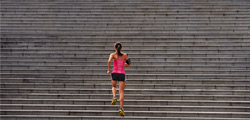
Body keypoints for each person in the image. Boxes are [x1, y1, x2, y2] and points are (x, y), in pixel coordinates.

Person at [107, 42, 130, 116]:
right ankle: (121, 108)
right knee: (121, 92)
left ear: (115, 48)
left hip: (114, 73)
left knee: (114, 86)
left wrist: (109, 70)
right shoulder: (125, 55)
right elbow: (129, 64)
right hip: (122, 74)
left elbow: (109, 61)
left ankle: (114, 97)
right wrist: (124, 64)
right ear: (121, 48)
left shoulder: (113, 55)